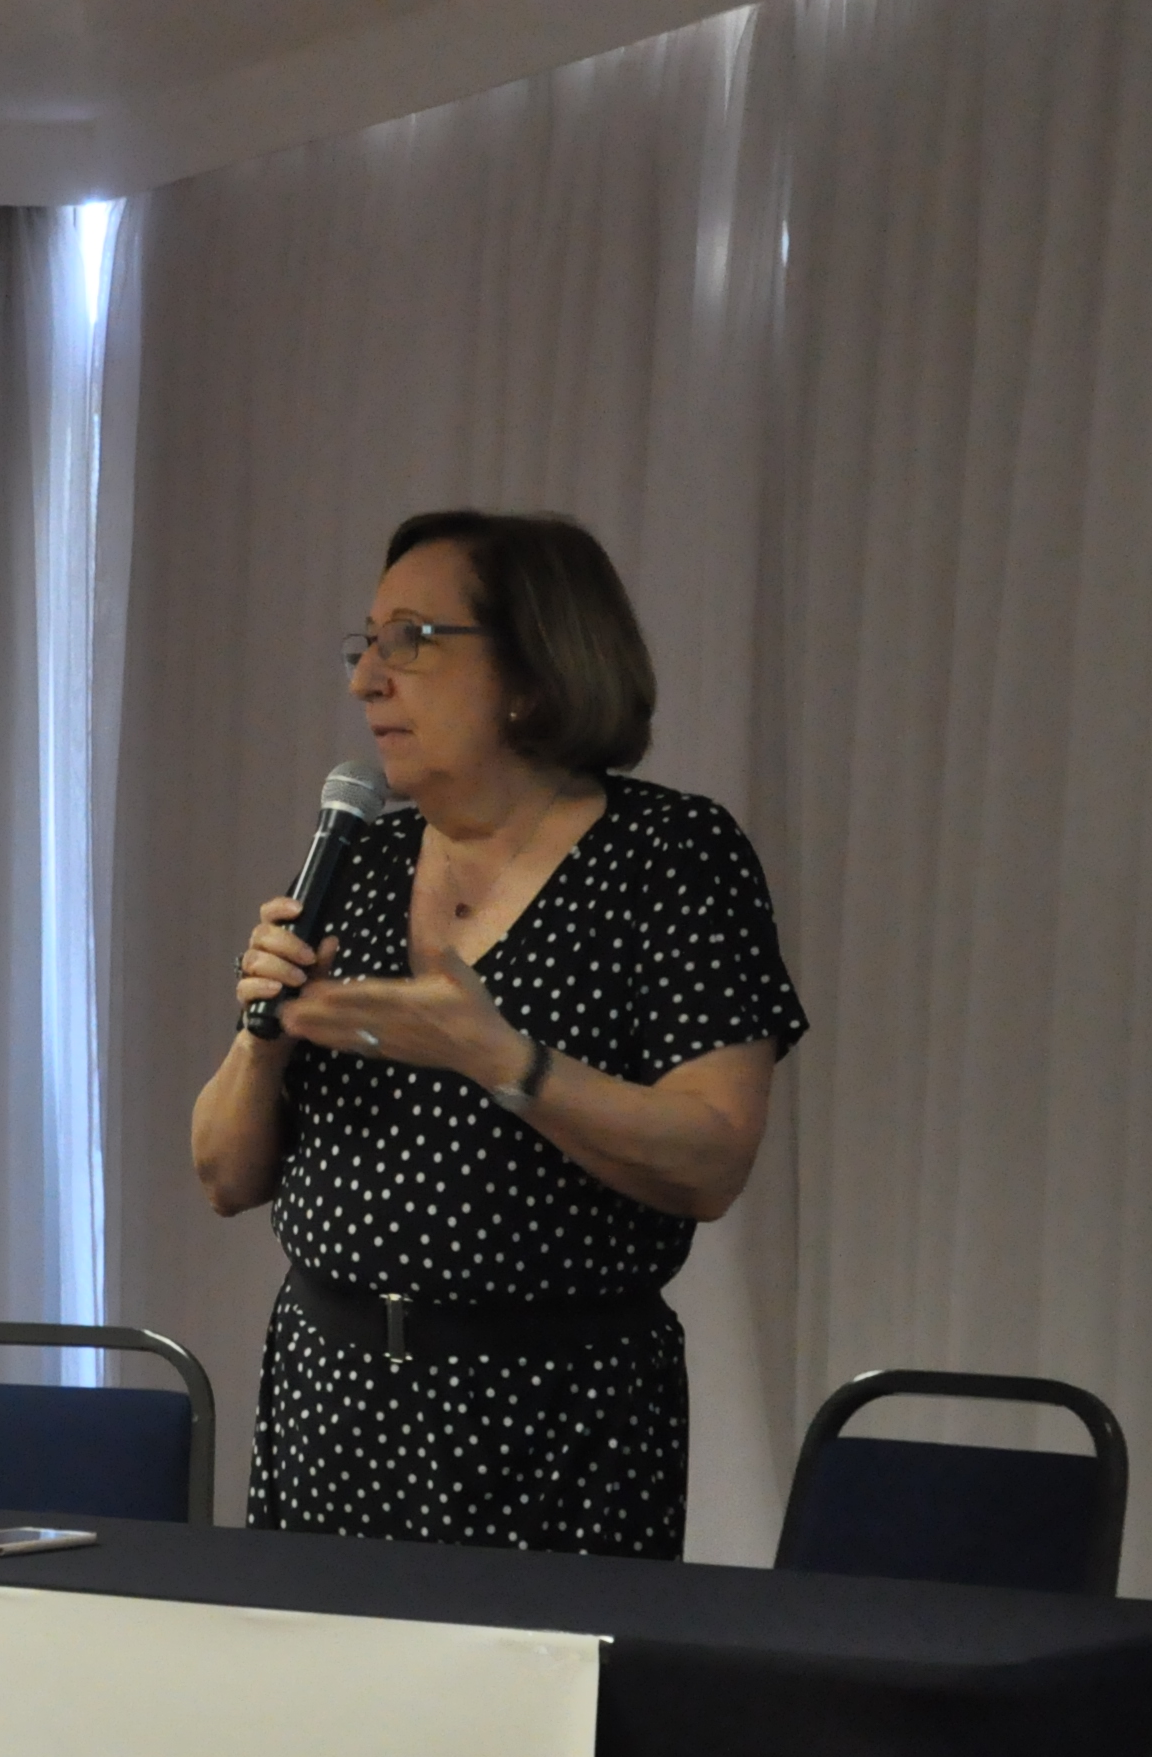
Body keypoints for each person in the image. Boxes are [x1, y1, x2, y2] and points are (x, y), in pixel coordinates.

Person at [189, 510, 806, 1557]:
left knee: (529, 1673)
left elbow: (711, 1160)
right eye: (365, 645)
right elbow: (222, 1177)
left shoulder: (669, 857)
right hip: (331, 1402)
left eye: (409, 641)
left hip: (554, 1422)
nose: (366, 680)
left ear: (532, 671)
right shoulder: (359, 863)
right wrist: (263, 1040)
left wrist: (499, 1059)